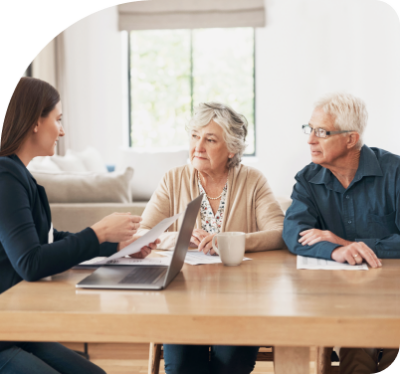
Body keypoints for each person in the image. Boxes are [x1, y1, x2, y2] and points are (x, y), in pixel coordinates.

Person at [0, 77, 159, 374]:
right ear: (36, 121)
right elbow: (30, 262)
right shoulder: (5, 177)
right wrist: (98, 232)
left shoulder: (19, 175)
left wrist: (116, 245)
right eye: (58, 120)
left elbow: (47, 239)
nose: (62, 130)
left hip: (14, 326)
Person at [138, 102, 285, 374]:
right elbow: (143, 235)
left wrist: (229, 240)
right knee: (182, 367)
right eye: (195, 136)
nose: (198, 147)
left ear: (232, 149)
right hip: (182, 299)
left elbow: (279, 233)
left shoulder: (253, 181)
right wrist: (181, 239)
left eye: (210, 139)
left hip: (241, 300)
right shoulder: (173, 179)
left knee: (229, 365)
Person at [283, 92, 400, 373]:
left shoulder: (395, 172)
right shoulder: (308, 180)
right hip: (345, 298)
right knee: (355, 361)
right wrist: (336, 250)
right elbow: (294, 232)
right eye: (309, 129)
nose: (310, 139)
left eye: (322, 132)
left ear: (350, 139)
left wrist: (349, 243)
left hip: (395, 297)